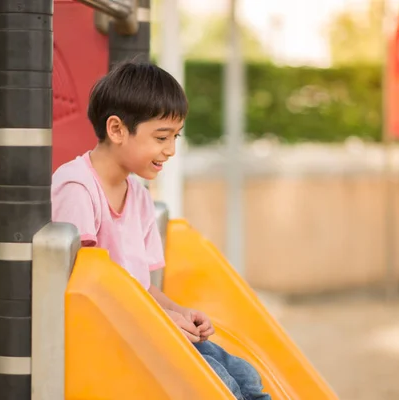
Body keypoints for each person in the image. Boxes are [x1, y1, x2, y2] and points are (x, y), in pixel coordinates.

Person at [51, 61, 271, 400]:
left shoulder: (138, 195)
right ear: (117, 129)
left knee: (247, 377)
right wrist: (160, 320)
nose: (170, 150)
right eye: (161, 137)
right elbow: (85, 293)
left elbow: (141, 286)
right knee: (220, 387)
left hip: (141, 324)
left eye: (175, 137)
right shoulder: (77, 187)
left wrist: (179, 312)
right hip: (107, 336)